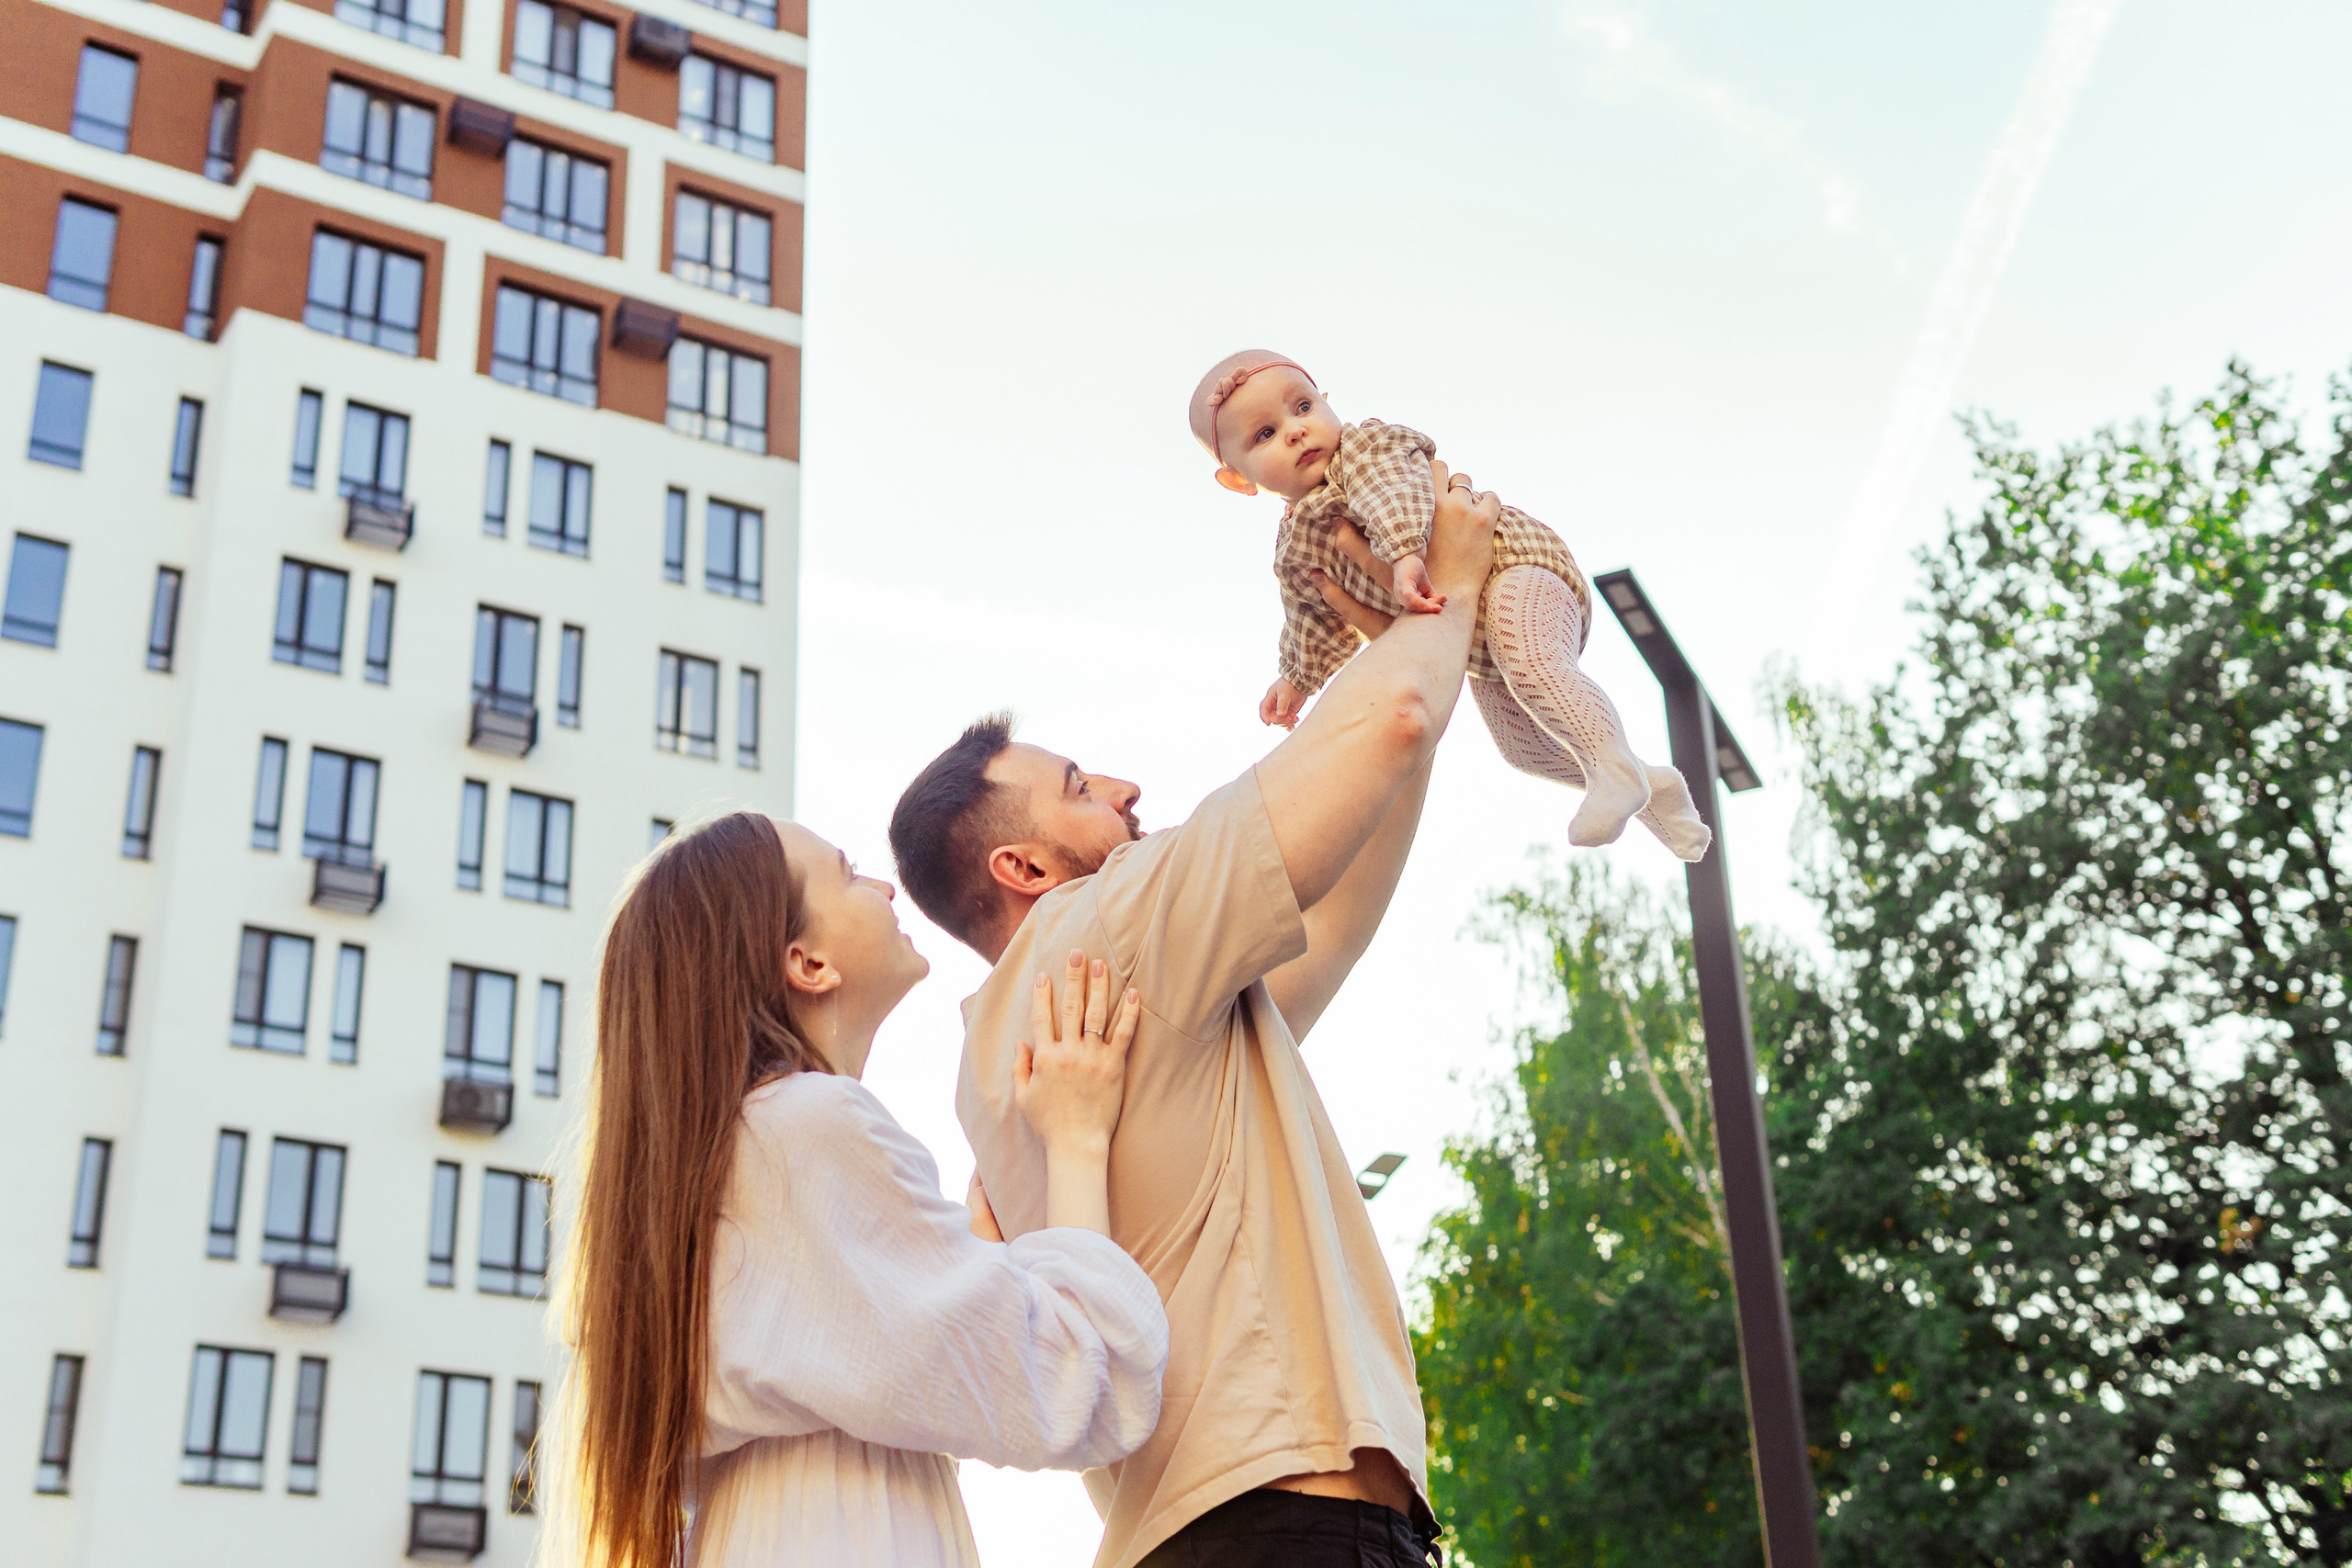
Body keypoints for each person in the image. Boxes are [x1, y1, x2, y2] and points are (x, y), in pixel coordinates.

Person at [888, 465, 1502, 1568]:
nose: (1122, 787)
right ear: (1023, 865)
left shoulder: (1012, 1051)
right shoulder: (1100, 929)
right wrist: (1446, 594)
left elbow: (1337, 914)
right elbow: (1395, 720)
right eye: (1078, 785)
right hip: (1286, 1526)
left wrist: (1384, 656)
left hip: (1211, 1532)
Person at [548, 811, 1169, 1568]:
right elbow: (1073, 1382)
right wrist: (1075, 1139)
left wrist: (963, 1258)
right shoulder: (809, 1125)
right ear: (806, 963)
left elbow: (857, 1363)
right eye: (846, 874)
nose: (882, 887)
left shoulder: (723, 1164)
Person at [1189, 347, 1710, 861]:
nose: (1295, 430)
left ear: (1326, 403)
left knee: (1528, 660)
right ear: (1239, 479)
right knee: (1518, 746)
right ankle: (1645, 783)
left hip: (1516, 567)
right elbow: (1312, 614)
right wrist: (1296, 678)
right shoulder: (1296, 546)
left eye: (1302, 407)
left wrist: (1403, 555)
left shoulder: (1365, 448)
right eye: (1264, 435)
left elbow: (1392, 493)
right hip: (1470, 639)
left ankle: (1613, 769)